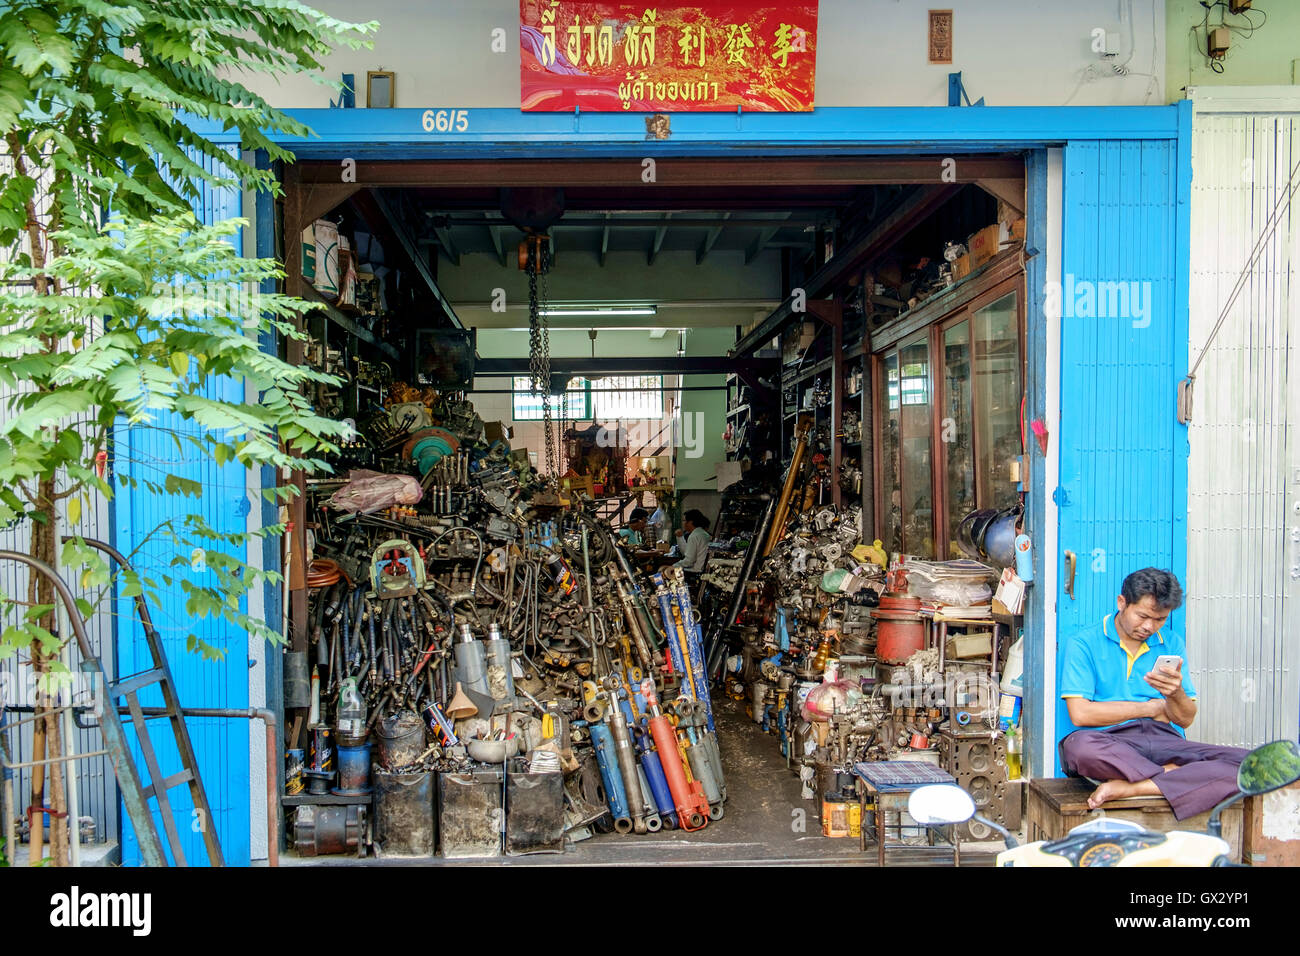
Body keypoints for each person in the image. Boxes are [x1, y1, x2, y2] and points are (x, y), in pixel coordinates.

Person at [1058, 568, 1249, 820]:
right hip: (1112, 742)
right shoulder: (1084, 643)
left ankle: (1135, 787)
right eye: (1143, 616)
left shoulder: (1171, 642)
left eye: (1159, 619)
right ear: (1122, 602)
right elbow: (1080, 714)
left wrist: (1176, 693)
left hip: (1163, 740)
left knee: (1248, 763)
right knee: (1078, 747)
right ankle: (1173, 775)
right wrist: (1151, 708)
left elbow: (1185, 720)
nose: (1149, 626)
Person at [672, 509, 712, 575]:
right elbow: (688, 553)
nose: (683, 523)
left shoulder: (694, 536)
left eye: (684, 520)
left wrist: (673, 566)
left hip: (697, 571)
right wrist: (680, 538)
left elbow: (689, 561)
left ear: (690, 522)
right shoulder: (704, 534)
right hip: (703, 569)